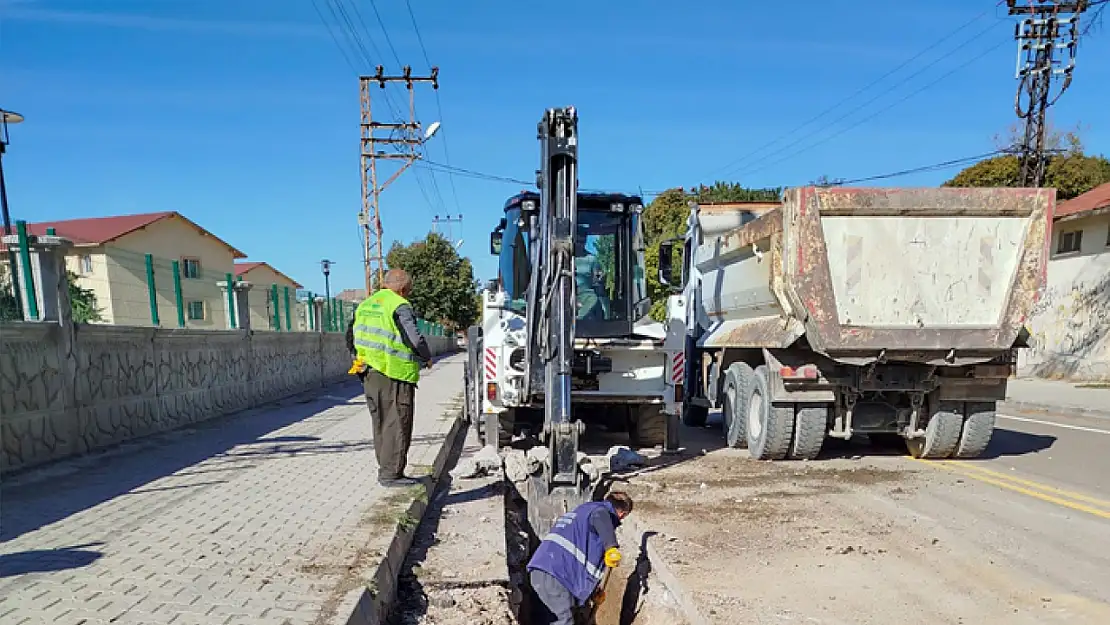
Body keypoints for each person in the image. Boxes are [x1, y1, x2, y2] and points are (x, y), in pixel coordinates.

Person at [346, 268, 432, 487]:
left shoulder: (366, 305)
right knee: (397, 424)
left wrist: (361, 358)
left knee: (381, 423)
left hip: (368, 373)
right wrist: (426, 357)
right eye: (409, 290)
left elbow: (350, 337)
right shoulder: (398, 305)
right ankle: (391, 475)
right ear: (403, 288)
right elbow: (414, 337)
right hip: (394, 374)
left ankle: (386, 469)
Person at [526, 492, 634, 625]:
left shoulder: (583, 511)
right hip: (556, 575)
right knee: (564, 621)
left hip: (545, 572)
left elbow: (581, 557)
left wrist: (592, 592)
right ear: (623, 513)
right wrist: (611, 546)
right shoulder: (600, 511)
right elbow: (599, 518)